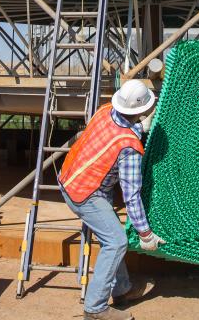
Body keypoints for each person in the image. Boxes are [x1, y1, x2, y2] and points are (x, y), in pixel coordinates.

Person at [58, 80, 164, 320]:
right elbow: (131, 195)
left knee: (113, 234)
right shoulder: (128, 147)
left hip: (70, 177)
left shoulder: (104, 110)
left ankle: (122, 288)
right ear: (141, 111)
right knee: (116, 242)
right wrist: (145, 234)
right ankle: (95, 309)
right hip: (84, 193)